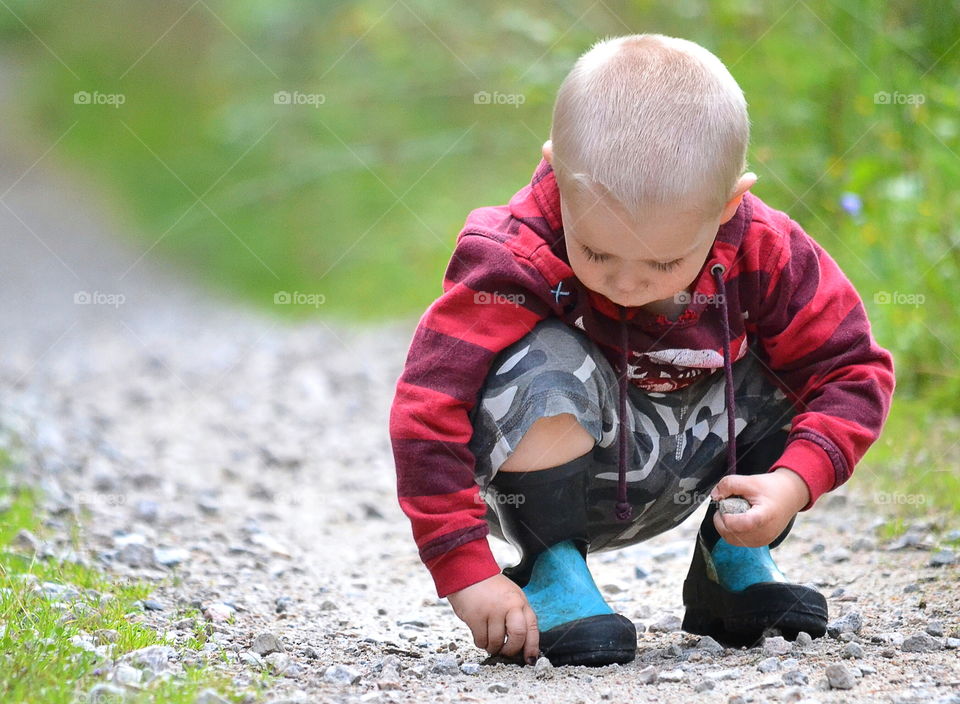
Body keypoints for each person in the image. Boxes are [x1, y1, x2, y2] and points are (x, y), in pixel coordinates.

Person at [388, 33, 895, 667]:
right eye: (597, 253)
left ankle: (731, 562)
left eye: (662, 261)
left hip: (697, 467)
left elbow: (853, 369)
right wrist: (465, 572)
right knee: (543, 360)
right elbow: (429, 403)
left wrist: (793, 484)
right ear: (556, 171)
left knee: (798, 352)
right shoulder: (512, 255)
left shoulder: (768, 253)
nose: (625, 284)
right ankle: (553, 571)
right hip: (558, 469)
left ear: (730, 203)